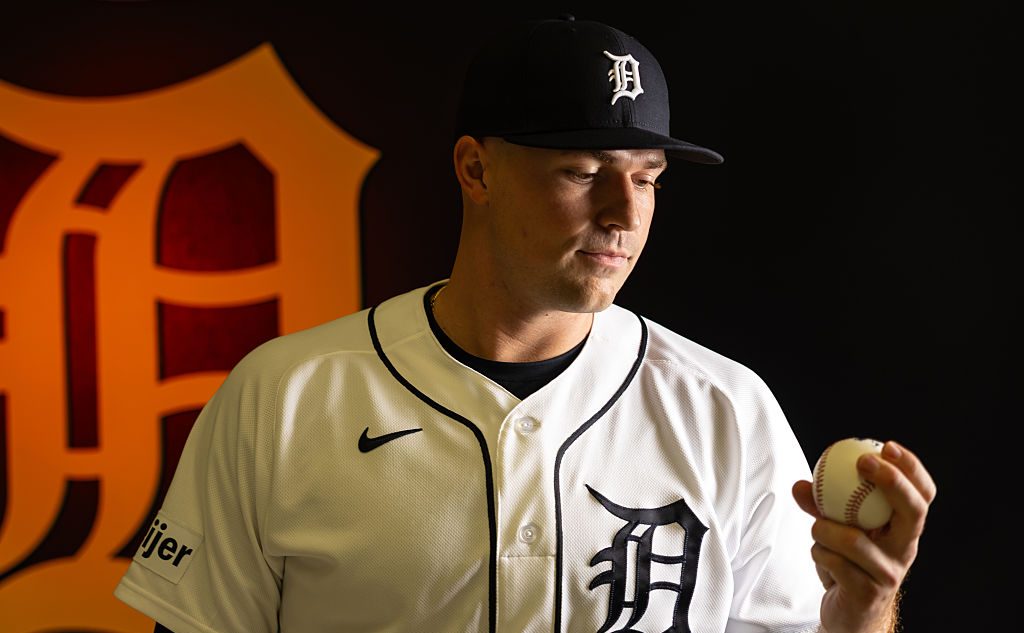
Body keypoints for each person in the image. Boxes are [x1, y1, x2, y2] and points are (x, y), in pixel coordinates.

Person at [114, 15, 936, 633]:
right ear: (475, 169)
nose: (624, 214)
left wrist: (866, 607)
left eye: (647, 179)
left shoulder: (726, 409)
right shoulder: (282, 396)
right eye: (582, 172)